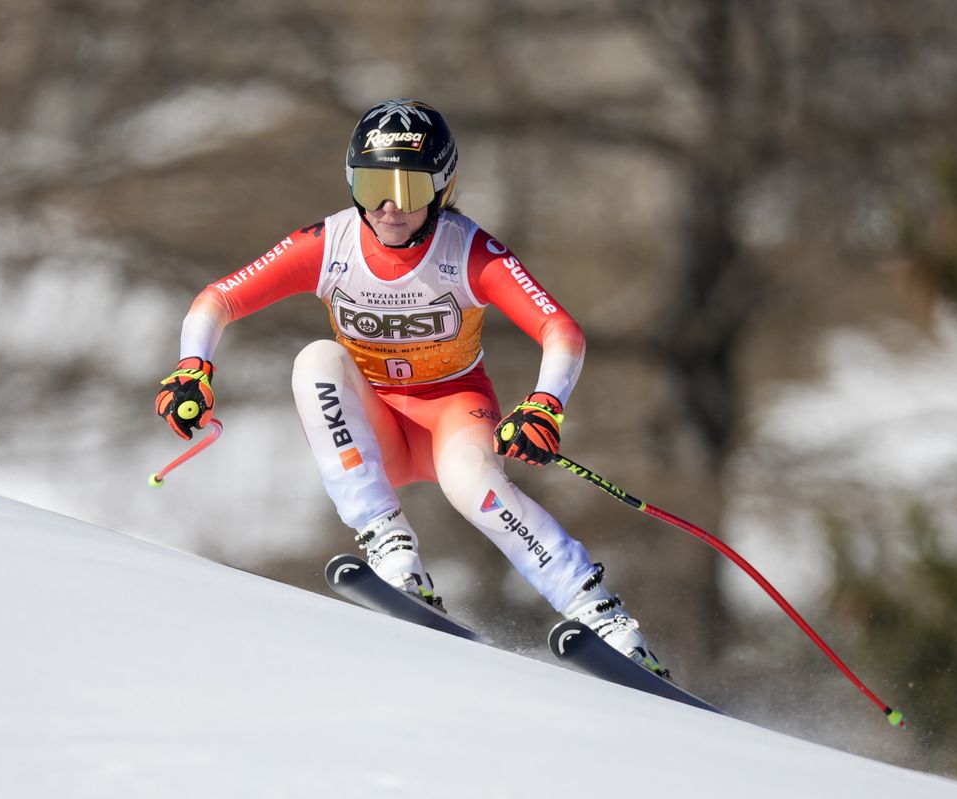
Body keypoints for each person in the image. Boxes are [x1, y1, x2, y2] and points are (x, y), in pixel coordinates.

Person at [155, 99, 668, 676]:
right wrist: (191, 366)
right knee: (316, 360)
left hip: (452, 410)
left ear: (443, 187)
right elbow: (218, 299)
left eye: (410, 187)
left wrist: (546, 405)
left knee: (472, 485)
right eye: (373, 184)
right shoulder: (330, 244)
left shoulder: (467, 250)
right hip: (373, 424)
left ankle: (602, 617)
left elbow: (560, 329)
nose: (389, 206)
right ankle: (390, 545)